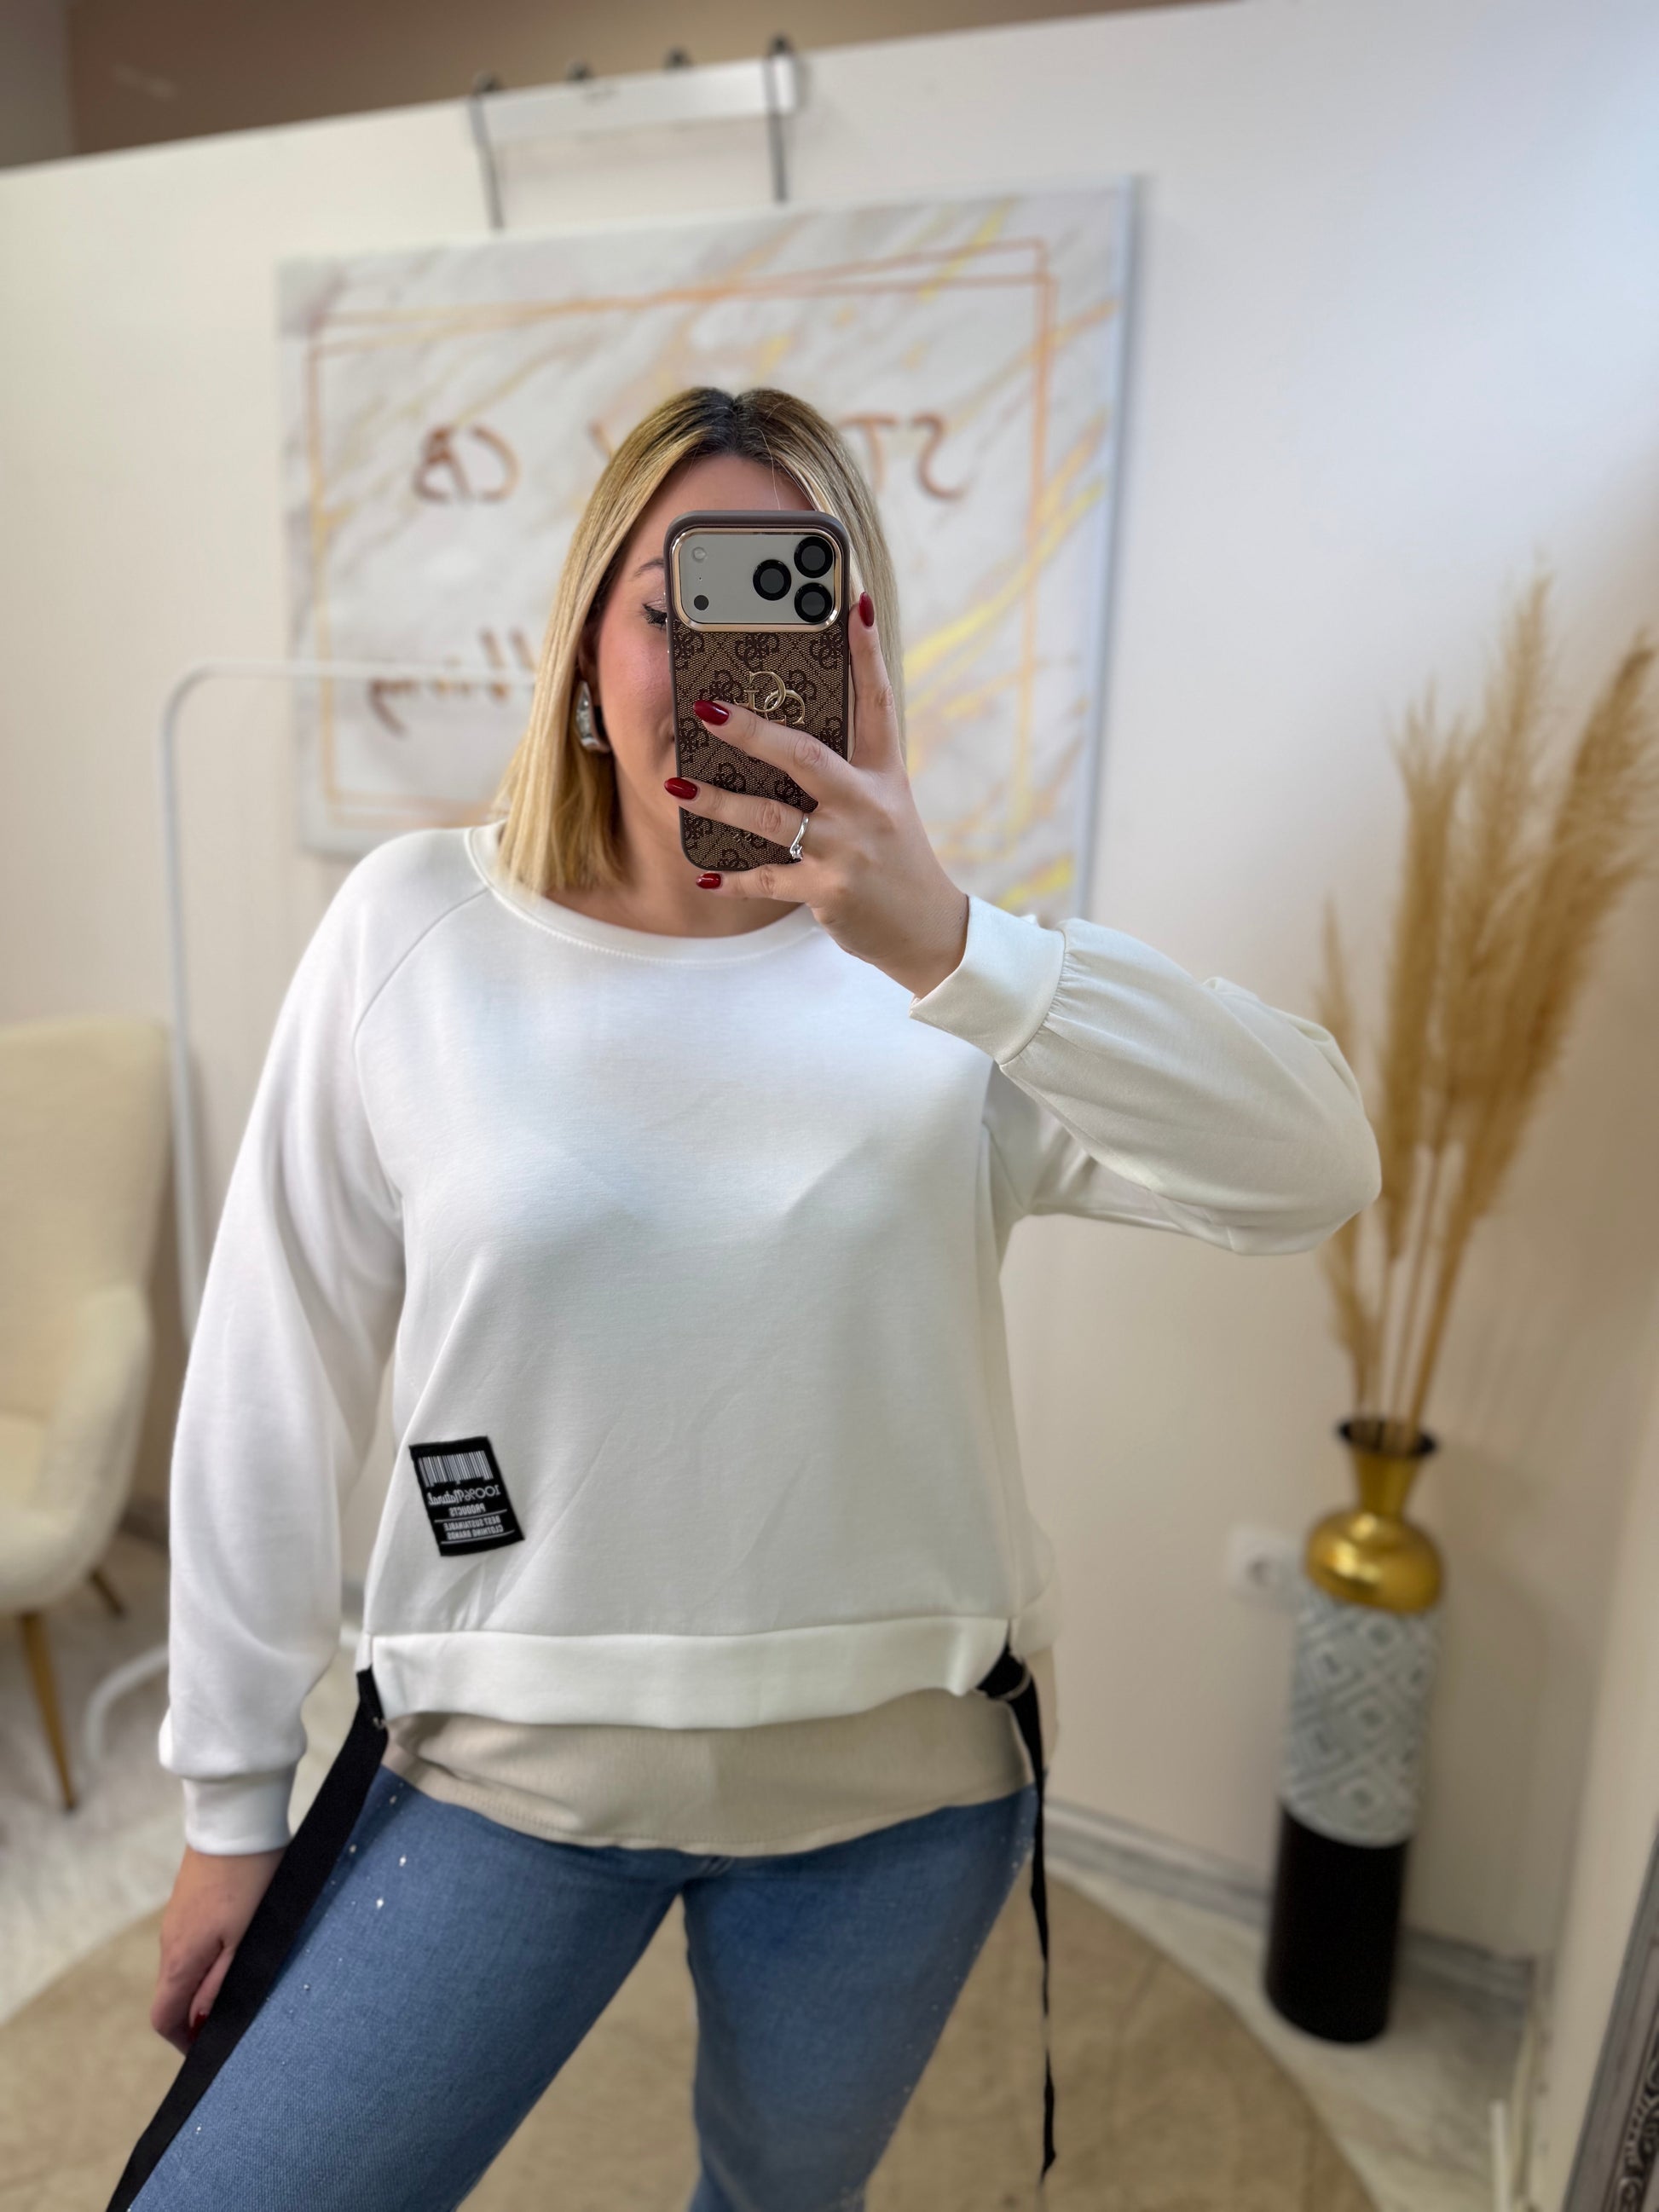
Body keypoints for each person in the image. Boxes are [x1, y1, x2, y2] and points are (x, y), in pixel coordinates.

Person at [136, 385, 1381, 2210]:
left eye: (791, 599)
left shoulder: (957, 978)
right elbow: (272, 1367)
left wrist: (954, 946)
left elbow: (1313, 1165)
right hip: (505, 1766)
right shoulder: (414, 935)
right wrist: (229, 1801)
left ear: (858, 648)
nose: (727, 663)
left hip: (896, 1796)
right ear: (585, 642)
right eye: (676, 603)